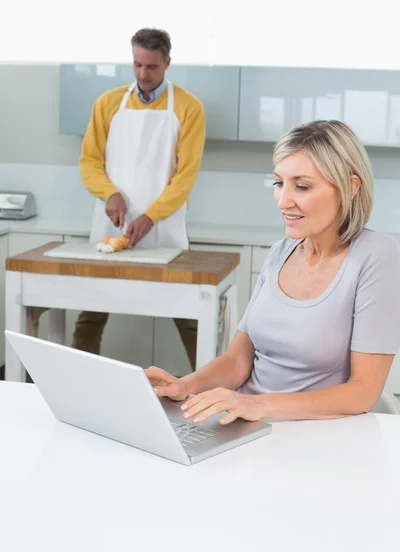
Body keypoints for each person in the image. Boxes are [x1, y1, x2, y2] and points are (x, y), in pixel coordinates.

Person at [145, 119, 400, 424]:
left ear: (350, 188)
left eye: (301, 186)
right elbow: (238, 360)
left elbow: (364, 392)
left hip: (311, 435)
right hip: (244, 423)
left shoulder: (376, 257)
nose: (283, 200)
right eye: (279, 183)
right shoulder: (281, 251)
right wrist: (185, 385)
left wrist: (257, 406)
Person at [22, 29, 206, 369]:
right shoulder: (107, 104)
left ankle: (208, 390)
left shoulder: (188, 108)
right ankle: (79, 381)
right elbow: (89, 161)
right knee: (92, 311)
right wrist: (111, 194)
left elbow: (186, 176)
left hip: (164, 229)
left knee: (187, 315)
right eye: (136, 64)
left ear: (167, 63)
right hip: (111, 225)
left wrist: (151, 217)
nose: (142, 74)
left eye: (151, 67)